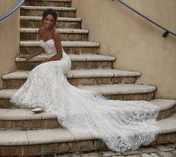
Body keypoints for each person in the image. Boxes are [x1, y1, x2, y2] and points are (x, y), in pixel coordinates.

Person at [10, 9, 161, 152]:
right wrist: (30, 57)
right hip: (52, 59)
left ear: (54, 22)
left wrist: (45, 62)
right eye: (46, 19)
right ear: (42, 19)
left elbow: (58, 55)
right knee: (39, 70)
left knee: (43, 69)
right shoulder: (40, 30)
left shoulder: (56, 33)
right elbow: (43, 48)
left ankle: (43, 101)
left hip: (62, 60)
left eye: (51, 20)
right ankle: (41, 99)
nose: (48, 22)